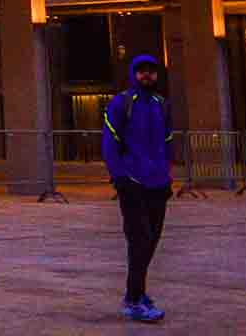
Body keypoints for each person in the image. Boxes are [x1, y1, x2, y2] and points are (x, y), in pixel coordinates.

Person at [103, 53, 173, 323]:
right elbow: (110, 141)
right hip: (132, 183)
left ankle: (138, 294)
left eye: (151, 72)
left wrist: (166, 177)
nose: (147, 76)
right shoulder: (122, 103)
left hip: (157, 183)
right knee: (139, 240)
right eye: (142, 71)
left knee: (152, 240)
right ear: (134, 74)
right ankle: (133, 299)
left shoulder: (161, 105)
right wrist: (120, 177)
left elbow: (167, 142)